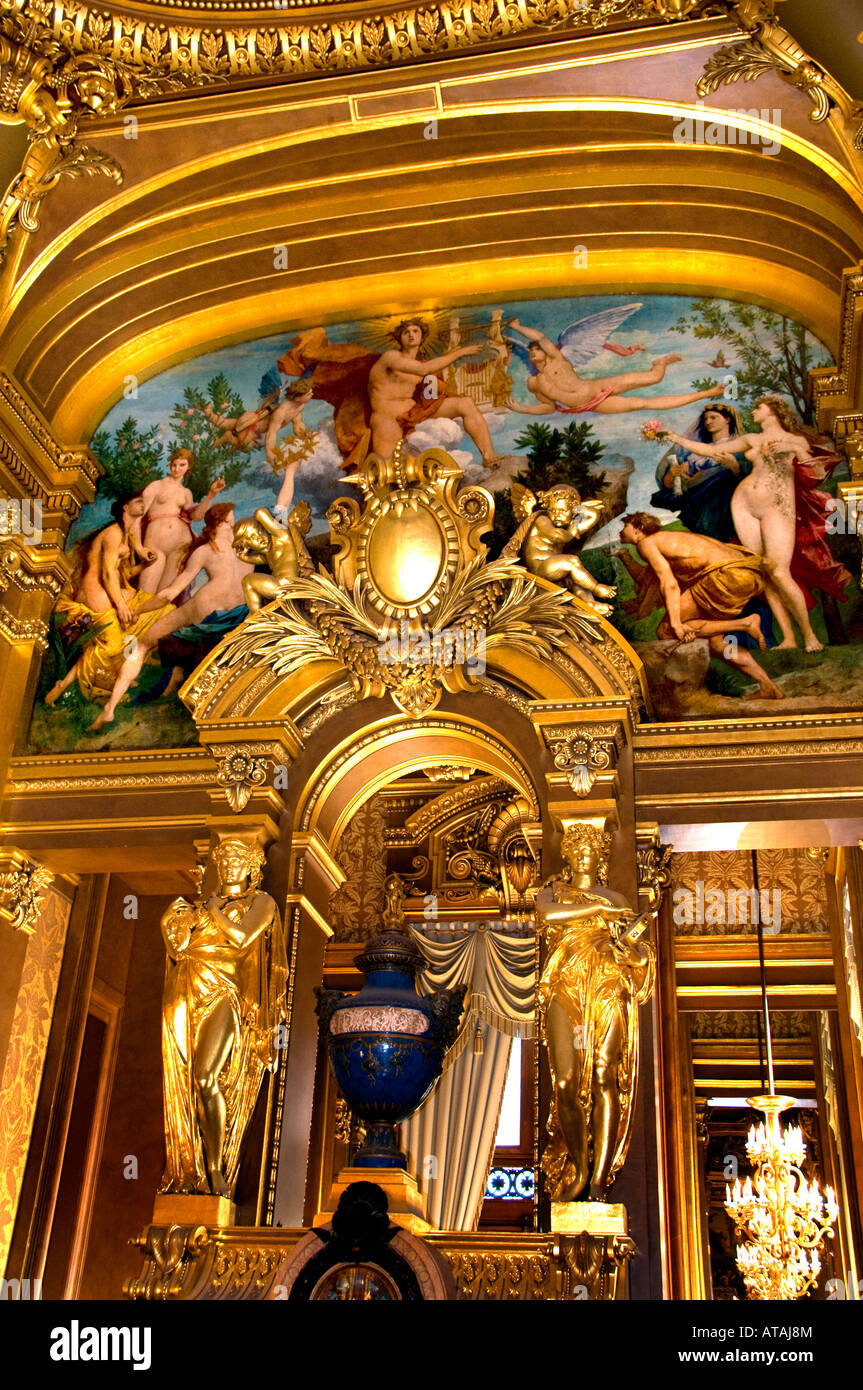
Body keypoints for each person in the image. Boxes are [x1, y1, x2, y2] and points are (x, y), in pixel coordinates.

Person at [663, 397, 848, 652]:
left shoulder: (795, 439)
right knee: (763, 570)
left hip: (777, 504)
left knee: (780, 571)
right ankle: (789, 638)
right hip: (744, 502)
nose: (753, 411)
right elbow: (711, 451)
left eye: (758, 408)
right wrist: (674, 436)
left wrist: (794, 451)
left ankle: (809, 636)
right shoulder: (751, 438)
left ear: (773, 411)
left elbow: (815, 472)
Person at [160, 838, 287, 1197]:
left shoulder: (260, 902)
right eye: (225, 859)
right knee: (182, 1077)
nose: (231, 865)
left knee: (204, 1076)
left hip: (226, 991)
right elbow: (177, 948)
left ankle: (215, 1168)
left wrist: (215, 909)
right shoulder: (194, 906)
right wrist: (174, 922)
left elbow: (243, 937)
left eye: (238, 859)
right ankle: (188, 1165)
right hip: (185, 985)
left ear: (251, 867)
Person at [536, 823, 655, 1202]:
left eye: (591, 848)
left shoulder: (616, 897)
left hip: (606, 982)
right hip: (566, 984)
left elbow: (639, 954)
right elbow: (546, 917)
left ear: (600, 856)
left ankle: (600, 1177)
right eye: (578, 847)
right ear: (568, 854)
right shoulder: (554, 892)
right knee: (566, 1081)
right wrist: (597, 908)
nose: (585, 853)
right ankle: (579, 1166)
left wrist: (630, 954)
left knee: (605, 1075)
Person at [88, 503, 253, 730]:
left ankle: (110, 709)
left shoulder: (205, 551)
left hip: (206, 607)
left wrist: (137, 610)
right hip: (238, 612)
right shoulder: (247, 551)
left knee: (142, 644)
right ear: (228, 521)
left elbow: (169, 594)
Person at [620, 512, 785, 699]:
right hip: (745, 575)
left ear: (638, 528)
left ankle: (745, 624)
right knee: (717, 643)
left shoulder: (647, 543)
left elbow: (670, 583)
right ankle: (768, 686)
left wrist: (677, 624)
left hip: (725, 577)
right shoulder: (667, 539)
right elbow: (651, 580)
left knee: (667, 629)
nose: (620, 531)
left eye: (625, 526)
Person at [44, 496, 176, 709]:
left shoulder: (127, 536)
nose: (143, 504)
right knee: (113, 640)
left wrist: (143, 565)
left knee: (158, 611)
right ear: (126, 506)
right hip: (94, 591)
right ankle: (64, 685)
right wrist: (121, 606)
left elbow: (120, 573)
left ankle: (118, 668)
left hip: (109, 590)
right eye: (138, 500)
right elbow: (106, 573)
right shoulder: (114, 533)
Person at [367, 318, 516, 468]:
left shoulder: (424, 362)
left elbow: (432, 388)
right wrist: (461, 352)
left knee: (465, 403)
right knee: (386, 468)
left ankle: (489, 456)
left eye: (415, 331)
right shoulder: (391, 357)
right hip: (387, 418)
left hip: (414, 412)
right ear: (399, 337)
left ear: (422, 336)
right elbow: (422, 370)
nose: (411, 334)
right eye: (406, 332)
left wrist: (502, 361)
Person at [506, 318, 725, 416]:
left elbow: (541, 336)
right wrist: (521, 409)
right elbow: (549, 407)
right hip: (592, 404)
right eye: (531, 350)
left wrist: (517, 327)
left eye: (537, 349)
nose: (534, 352)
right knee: (641, 404)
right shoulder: (534, 382)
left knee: (655, 377)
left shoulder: (557, 359)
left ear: (545, 351)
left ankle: (660, 364)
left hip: (599, 385)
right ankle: (707, 393)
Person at [651, 405, 746, 542]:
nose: (708, 422)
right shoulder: (694, 451)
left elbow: (744, 477)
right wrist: (672, 474)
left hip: (723, 505)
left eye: (714, 417)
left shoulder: (738, 445)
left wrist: (733, 466)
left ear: (727, 419)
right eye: (706, 418)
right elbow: (671, 486)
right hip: (694, 503)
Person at [137, 449, 226, 594]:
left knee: (163, 596)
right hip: (156, 541)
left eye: (182, 465)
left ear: (188, 467)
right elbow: (139, 514)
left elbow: (196, 517)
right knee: (145, 592)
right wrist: (137, 546)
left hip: (179, 547)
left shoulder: (186, 493)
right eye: (174, 465)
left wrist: (211, 494)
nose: (177, 469)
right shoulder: (157, 485)